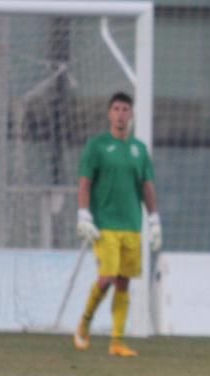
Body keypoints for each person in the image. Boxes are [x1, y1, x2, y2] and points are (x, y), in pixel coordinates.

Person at [73, 91, 161, 357]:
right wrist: (83, 214)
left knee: (123, 282)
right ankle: (83, 324)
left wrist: (154, 218)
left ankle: (117, 342)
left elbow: (147, 186)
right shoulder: (97, 146)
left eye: (125, 109)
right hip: (105, 225)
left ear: (131, 114)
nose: (121, 114)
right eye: (116, 109)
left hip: (132, 225)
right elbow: (85, 182)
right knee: (107, 278)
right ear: (109, 114)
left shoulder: (139, 149)